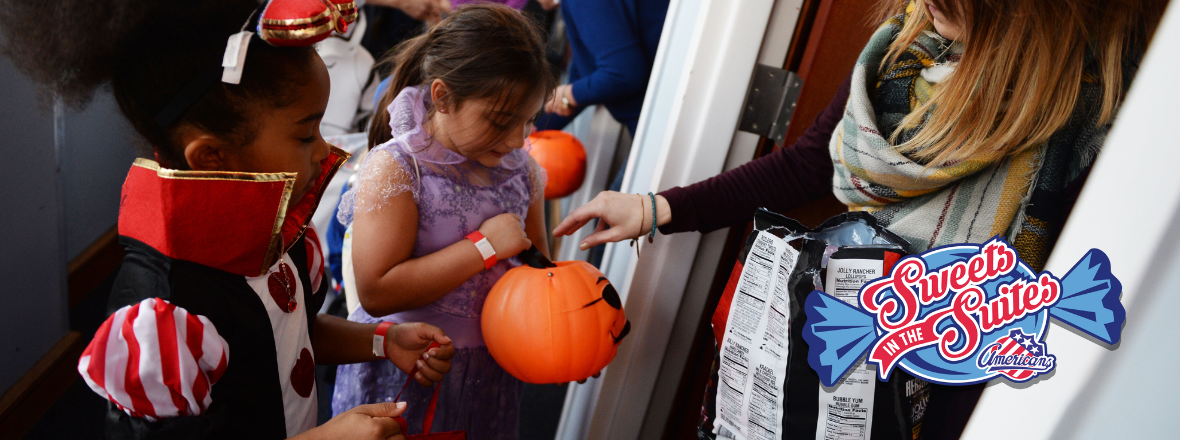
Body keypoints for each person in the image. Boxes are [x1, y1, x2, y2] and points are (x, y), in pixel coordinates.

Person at [554, 0, 1165, 436]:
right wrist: (657, 208)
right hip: (821, 349)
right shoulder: (903, 50)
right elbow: (805, 165)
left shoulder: (1095, 117)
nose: (925, 4)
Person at [0, 1, 457, 438]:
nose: (323, 152)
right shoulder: (167, 315)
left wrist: (383, 340)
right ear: (213, 156)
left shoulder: (279, 227)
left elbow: (289, 335)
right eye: (304, 134)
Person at [332, 5, 554, 438]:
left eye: (528, 122)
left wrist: (566, 335)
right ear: (442, 96)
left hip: (491, 371)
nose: (516, 140)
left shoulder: (521, 171)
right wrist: (483, 247)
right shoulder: (400, 167)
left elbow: (539, 275)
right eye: (500, 121)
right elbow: (377, 290)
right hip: (410, 365)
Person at [535, 0, 670, 137]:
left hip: (661, 123)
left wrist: (568, 94)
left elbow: (623, 73)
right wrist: (532, 130)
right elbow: (584, 70)